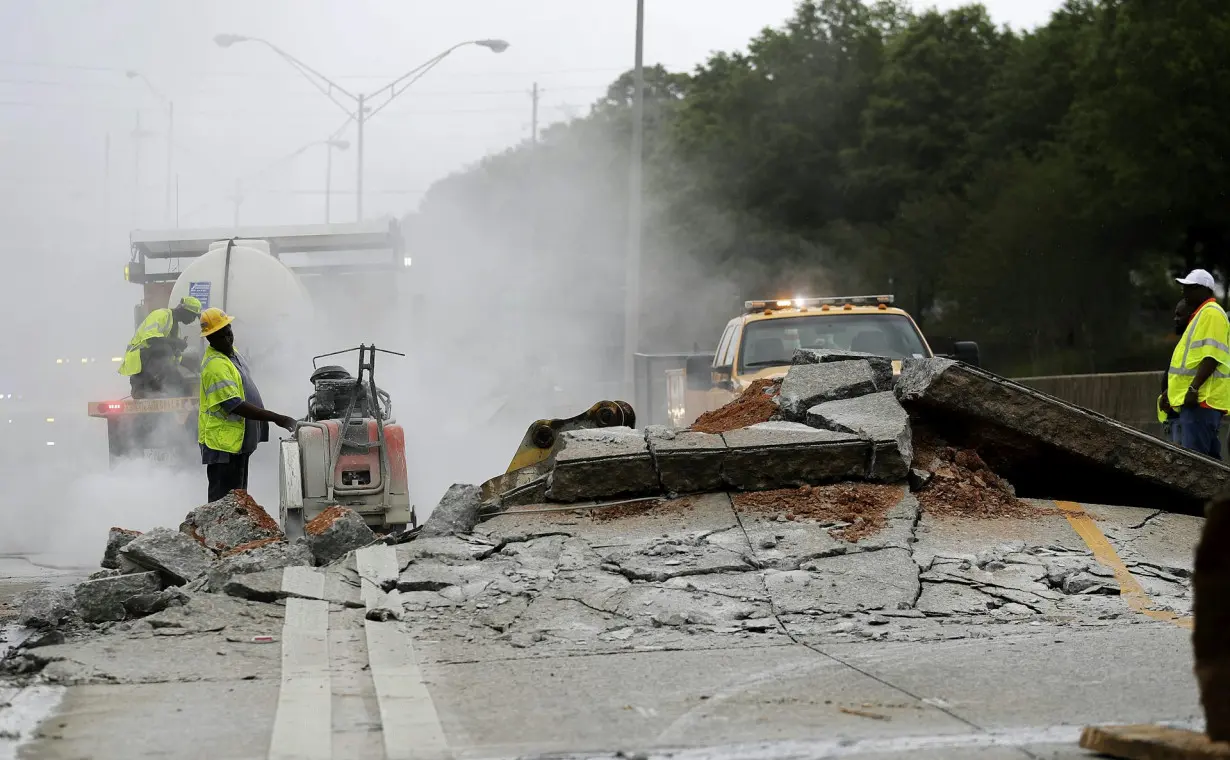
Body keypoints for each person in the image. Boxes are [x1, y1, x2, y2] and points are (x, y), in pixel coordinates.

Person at [197, 307, 298, 502]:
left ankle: (236, 530)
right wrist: (278, 418)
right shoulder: (215, 365)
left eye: (229, 332)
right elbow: (235, 405)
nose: (228, 339)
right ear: (210, 339)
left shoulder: (231, 354)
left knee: (239, 498)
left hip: (236, 443)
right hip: (223, 445)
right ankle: (217, 531)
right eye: (220, 336)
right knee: (223, 501)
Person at [1164, 269, 1230, 458]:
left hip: (1201, 401)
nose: (1184, 292)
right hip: (1196, 402)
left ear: (1203, 290)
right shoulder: (1201, 315)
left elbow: (1212, 357)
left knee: (1195, 463)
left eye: (1190, 288)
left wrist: (1194, 389)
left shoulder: (1212, 314)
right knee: (1209, 465)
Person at [118, 297, 202, 398]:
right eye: (193, 316)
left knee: (185, 391)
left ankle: (152, 389)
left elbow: (173, 355)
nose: (193, 320)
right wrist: (176, 342)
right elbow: (151, 339)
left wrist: (187, 363)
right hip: (141, 362)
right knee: (164, 349)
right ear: (184, 311)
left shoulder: (175, 328)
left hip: (156, 366)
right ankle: (148, 385)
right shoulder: (161, 315)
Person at [1160, 298, 1197, 443]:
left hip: (1183, 416)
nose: (1176, 320)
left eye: (1179, 315)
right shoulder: (1183, 343)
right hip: (1173, 415)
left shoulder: (1194, 343)